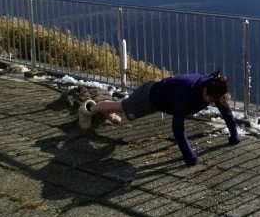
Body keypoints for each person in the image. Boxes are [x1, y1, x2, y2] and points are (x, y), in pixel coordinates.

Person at [77, 70, 240, 166]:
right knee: (123, 107)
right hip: (149, 97)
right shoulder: (186, 91)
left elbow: (226, 112)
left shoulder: (213, 88)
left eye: (213, 100)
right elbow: (177, 127)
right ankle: (88, 109)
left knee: (124, 106)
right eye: (209, 99)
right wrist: (189, 157)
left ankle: (105, 111)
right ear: (205, 91)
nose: (209, 102)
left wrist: (234, 136)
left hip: (162, 96)